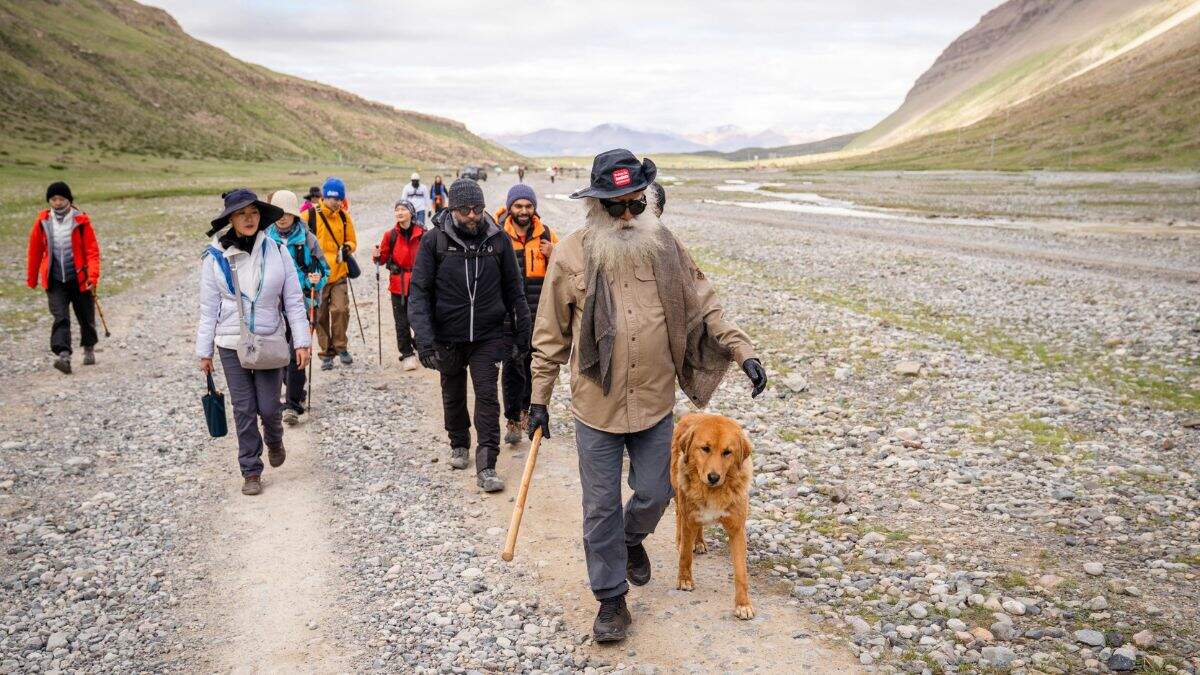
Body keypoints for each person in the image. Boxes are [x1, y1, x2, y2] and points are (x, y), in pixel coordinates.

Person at [527, 149, 768, 642]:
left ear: (647, 201)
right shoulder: (570, 255)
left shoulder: (667, 248)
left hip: (655, 402)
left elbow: (706, 305)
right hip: (596, 406)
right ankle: (611, 602)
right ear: (596, 205)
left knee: (658, 492)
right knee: (600, 507)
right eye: (614, 206)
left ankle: (630, 538)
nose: (626, 215)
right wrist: (538, 399)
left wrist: (743, 351)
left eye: (635, 204)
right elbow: (550, 334)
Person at [408, 178, 531, 493]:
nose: (473, 216)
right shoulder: (434, 242)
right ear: (452, 209)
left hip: (488, 335)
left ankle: (487, 465)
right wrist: (424, 341)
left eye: (478, 208)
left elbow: (515, 290)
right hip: (447, 334)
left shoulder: (498, 240)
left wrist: (522, 335)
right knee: (453, 393)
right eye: (465, 210)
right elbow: (419, 293)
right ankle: (459, 442)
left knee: (487, 397)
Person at [197, 189, 311, 496]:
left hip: (269, 337)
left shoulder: (277, 250)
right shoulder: (215, 257)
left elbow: (293, 300)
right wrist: (204, 351)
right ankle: (250, 469)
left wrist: (301, 342)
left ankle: (274, 438)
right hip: (230, 341)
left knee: (270, 407)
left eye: (254, 213)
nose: (249, 219)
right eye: (242, 214)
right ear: (231, 219)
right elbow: (208, 309)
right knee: (244, 408)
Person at [495, 184, 558, 444]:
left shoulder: (547, 235)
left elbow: (565, 269)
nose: (523, 211)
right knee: (512, 366)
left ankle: (527, 412)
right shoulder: (498, 235)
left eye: (528, 206)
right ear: (510, 207)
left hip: (538, 315)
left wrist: (554, 254)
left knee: (535, 366)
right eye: (518, 206)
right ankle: (512, 419)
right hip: (508, 316)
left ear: (534, 208)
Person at [267, 190, 330, 425]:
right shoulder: (265, 238)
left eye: (287, 213)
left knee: (298, 349)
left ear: (295, 214)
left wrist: (317, 278)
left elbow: (324, 269)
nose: (283, 218)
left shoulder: (308, 239)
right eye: (279, 213)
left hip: (303, 303)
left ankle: (292, 404)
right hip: (273, 306)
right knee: (280, 353)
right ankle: (296, 390)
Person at [25, 181, 101, 374]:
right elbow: (35, 251)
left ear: (69, 199)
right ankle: (64, 355)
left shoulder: (81, 221)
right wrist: (32, 278)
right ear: (49, 201)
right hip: (55, 279)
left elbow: (92, 252)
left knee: (86, 316)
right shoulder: (42, 222)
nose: (57, 202)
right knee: (60, 317)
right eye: (53, 199)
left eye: (61, 199)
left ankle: (89, 347)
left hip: (80, 278)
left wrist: (92, 277)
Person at [307, 177, 358, 370]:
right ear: (324, 196)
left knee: (340, 310)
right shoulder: (310, 215)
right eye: (332, 198)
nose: (336, 202)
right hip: (317, 276)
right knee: (320, 315)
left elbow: (352, 241)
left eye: (339, 199)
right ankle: (326, 353)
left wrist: (347, 248)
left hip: (339, 274)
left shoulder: (344, 217)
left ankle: (340, 347)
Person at [373, 199, 425, 370]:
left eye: (403, 209)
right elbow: (382, 259)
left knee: (421, 318)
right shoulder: (390, 235)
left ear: (411, 213)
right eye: (397, 210)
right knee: (401, 322)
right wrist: (376, 255)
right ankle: (407, 354)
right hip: (398, 284)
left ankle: (421, 346)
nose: (399, 212)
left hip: (419, 282)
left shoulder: (423, 233)